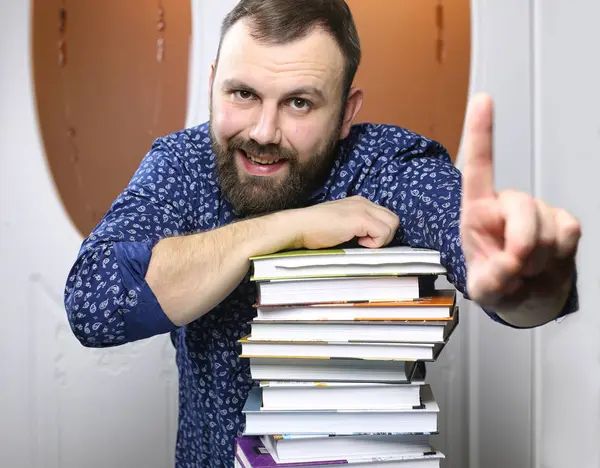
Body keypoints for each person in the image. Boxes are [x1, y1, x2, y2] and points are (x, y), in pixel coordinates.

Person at [63, 0, 581, 466]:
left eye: (300, 103)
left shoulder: (388, 165)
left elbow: (487, 261)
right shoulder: (181, 163)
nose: (263, 132)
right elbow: (94, 304)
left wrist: (531, 283)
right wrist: (292, 225)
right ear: (213, 81)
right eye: (243, 93)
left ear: (345, 114)